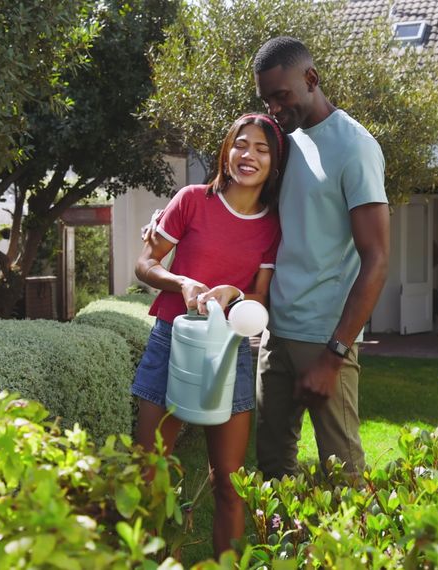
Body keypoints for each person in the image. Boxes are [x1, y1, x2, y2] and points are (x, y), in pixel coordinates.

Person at [131, 113, 286, 554]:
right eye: (241, 144)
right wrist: (182, 282)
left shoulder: (273, 225)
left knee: (230, 483)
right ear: (226, 150)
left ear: (274, 163)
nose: (248, 155)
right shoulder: (191, 200)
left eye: (261, 148)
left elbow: (260, 298)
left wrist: (233, 292)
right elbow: (145, 264)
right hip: (171, 340)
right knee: (148, 471)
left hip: (230, 352)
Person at [252, 36, 389, 479]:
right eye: (266, 99)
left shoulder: (354, 147)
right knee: (272, 468)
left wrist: (333, 356)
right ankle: (282, 551)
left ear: (311, 79)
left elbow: (377, 259)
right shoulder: (287, 143)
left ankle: (355, 551)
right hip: (276, 334)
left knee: (342, 473)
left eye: (281, 96)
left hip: (324, 339)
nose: (273, 108)